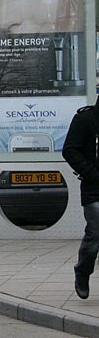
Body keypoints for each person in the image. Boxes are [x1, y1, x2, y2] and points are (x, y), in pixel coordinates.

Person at [61, 97, 99, 299]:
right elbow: (70, 150)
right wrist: (92, 174)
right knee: (96, 234)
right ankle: (83, 272)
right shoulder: (86, 119)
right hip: (95, 190)